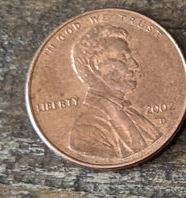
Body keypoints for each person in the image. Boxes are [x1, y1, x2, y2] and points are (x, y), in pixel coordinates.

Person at [67, 24, 162, 159]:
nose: (135, 66)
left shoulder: (131, 113)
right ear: (95, 65)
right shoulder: (88, 129)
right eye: (124, 58)